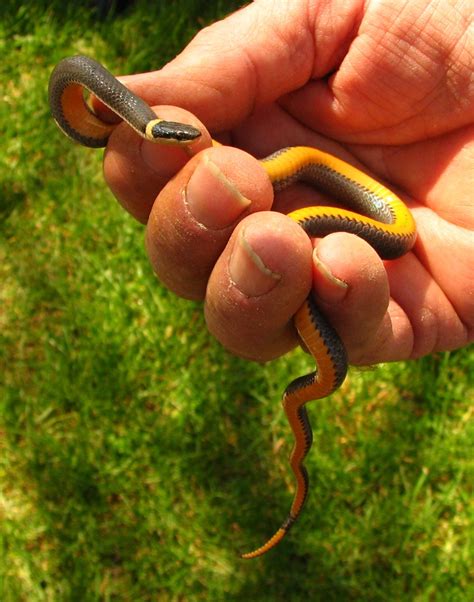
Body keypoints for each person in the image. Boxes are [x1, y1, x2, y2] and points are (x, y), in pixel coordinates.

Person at [102, 0, 473, 366]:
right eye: (175, 136)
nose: (183, 135)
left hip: (364, 200)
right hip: (316, 174)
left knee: (268, 231)